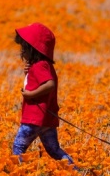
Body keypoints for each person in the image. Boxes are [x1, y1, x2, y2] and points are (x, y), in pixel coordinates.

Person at [12, 22, 75, 166]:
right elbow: (39, 80)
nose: (21, 52)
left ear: (32, 49)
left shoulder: (40, 65)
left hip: (34, 118)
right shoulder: (43, 65)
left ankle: (16, 173)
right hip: (45, 119)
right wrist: (29, 73)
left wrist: (31, 94)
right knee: (54, 150)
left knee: (18, 148)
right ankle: (74, 170)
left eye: (24, 48)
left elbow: (49, 84)